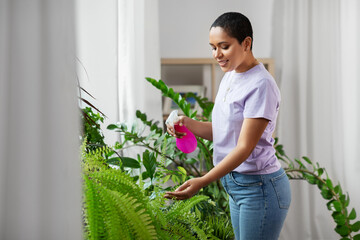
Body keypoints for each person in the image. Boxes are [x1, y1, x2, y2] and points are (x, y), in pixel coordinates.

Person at [164, 12, 291, 240]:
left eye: (224, 46)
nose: (217, 55)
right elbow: (224, 132)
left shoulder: (261, 85)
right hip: (235, 185)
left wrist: (203, 181)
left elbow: (244, 147)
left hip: (259, 187)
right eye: (213, 47)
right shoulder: (230, 76)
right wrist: (188, 124)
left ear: (246, 43)